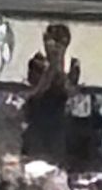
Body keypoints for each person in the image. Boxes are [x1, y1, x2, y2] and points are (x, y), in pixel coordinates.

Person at [24, 23, 81, 166]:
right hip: (37, 121)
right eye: (52, 41)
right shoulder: (37, 62)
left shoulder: (73, 65)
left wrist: (59, 66)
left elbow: (70, 91)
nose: (55, 47)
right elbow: (36, 92)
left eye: (60, 42)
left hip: (58, 126)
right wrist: (52, 67)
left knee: (56, 164)